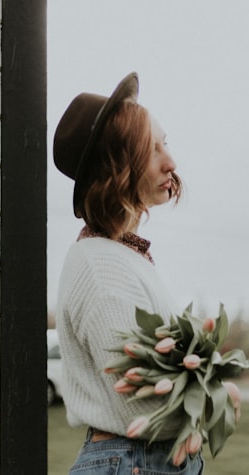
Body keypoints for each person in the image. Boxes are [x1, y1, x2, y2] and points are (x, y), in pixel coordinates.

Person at [53, 72, 202, 474]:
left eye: (164, 143)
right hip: (134, 463)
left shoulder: (120, 256)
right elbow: (141, 403)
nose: (171, 162)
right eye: (151, 150)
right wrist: (211, 392)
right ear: (117, 167)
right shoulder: (102, 268)